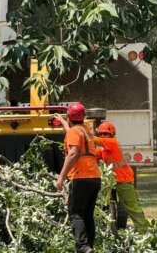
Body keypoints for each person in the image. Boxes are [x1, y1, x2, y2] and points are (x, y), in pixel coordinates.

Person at [55, 103, 101, 253]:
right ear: (84, 116)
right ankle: (89, 247)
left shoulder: (74, 132)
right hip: (94, 177)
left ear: (69, 116)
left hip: (81, 177)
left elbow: (73, 153)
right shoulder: (85, 130)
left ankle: (82, 247)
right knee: (87, 214)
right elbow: (73, 135)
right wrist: (63, 123)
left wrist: (61, 177)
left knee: (76, 213)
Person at [93, 120, 150, 233]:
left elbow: (96, 140)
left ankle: (144, 231)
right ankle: (110, 231)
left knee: (131, 206)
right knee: (106, 205)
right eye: (102, 134)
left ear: (112, 135)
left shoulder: (112, 142)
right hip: (111, 180)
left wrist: (84, 132)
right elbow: (93, 155)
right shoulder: (103, 149)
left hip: (123, 179)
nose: (104, 136)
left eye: (106, 134)